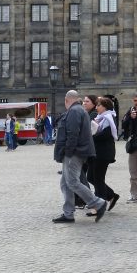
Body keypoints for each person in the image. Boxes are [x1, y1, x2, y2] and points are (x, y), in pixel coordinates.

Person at [52, 90, 109, 223]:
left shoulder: (74, 111)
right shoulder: (79, 110)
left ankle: (98, 203)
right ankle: (68, 213)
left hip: (74, 153)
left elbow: (72, 134)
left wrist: (68, 152)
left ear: (66, 100)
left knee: (72, 182)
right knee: (65, 183)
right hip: (77, 151)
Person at [89, 96, 120, 214]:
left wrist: (91, 135)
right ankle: (111, 195)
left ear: (105, 107)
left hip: (103, 152)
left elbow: (105, 135)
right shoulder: (101, 117)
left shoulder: (108, 118)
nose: (96, 107)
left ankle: (98, 206)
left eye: (98, 105)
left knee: (98, 179)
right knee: (90, 177)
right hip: (97, 151)